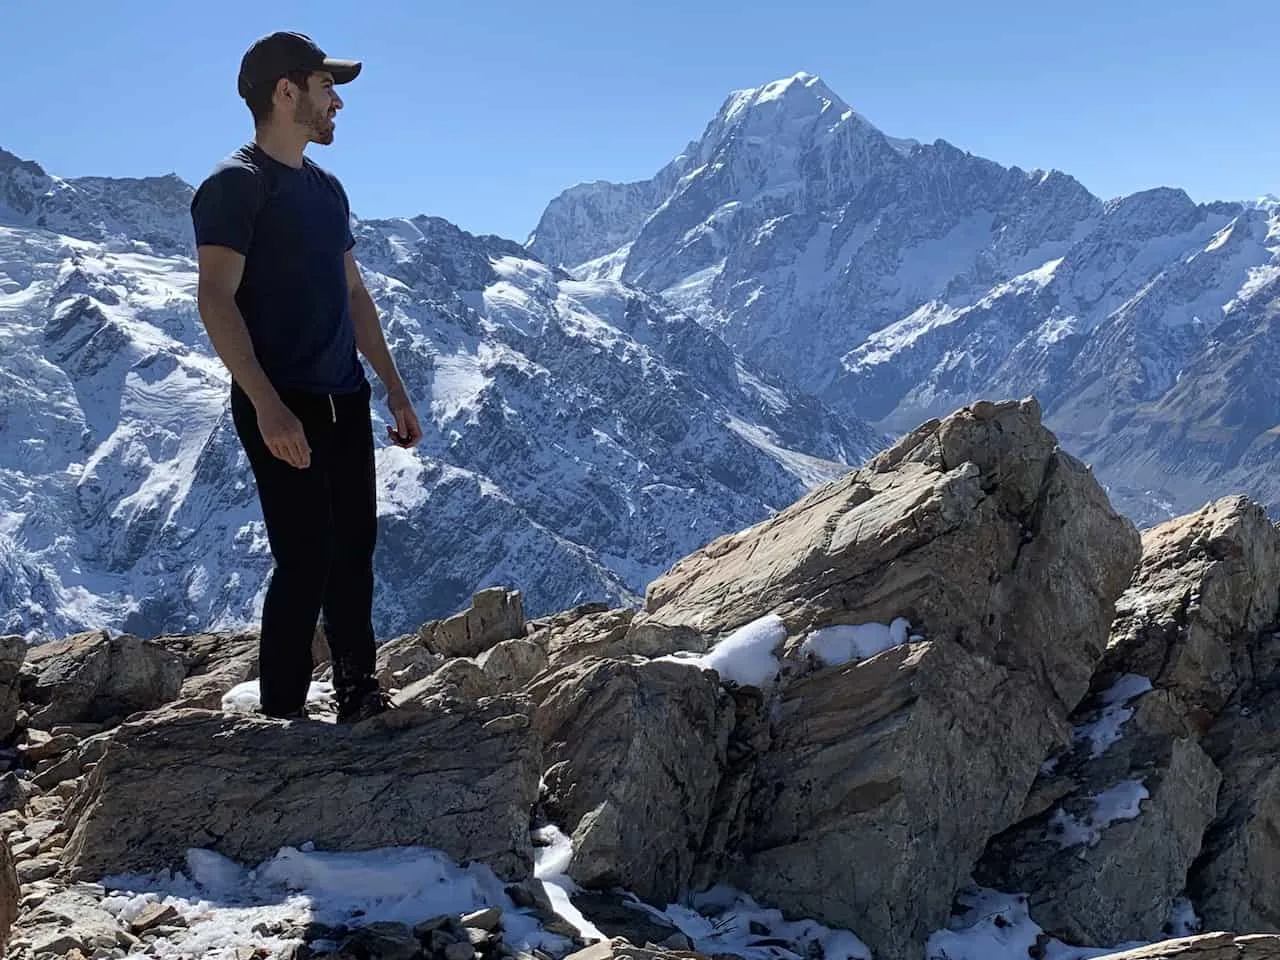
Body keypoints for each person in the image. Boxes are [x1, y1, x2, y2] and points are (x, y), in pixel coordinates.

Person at [190, 31, 423, 723]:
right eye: (326, 88)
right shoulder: (236, 185)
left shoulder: (326, 189)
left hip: (343, 394)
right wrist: (266, 406)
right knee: (304, 558)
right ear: (286, 92)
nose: (338, 103)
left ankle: (357, 689)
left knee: (354, 550)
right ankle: (282, 713)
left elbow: (354, 296)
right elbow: (214, 297)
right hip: (282, 400)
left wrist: (396, 390)